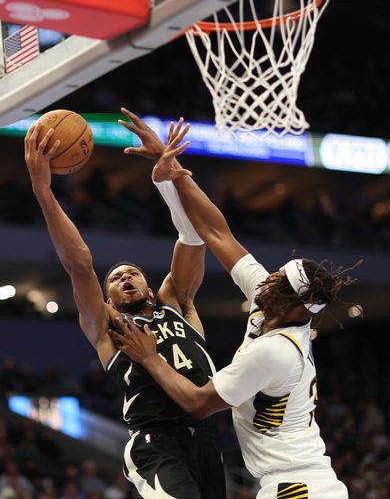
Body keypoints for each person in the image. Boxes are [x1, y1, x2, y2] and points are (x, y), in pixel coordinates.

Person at [110, 125, 357, 499]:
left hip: (298, 487)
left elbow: (198, 403)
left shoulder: (276, 349)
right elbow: (216, 233)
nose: (269, 278)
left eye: (279, 281)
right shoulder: (272, 302)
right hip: (297, 482)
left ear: (293, 305)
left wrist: (151, 358)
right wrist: (172, 174)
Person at [24, 113, 225, 499]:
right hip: (156, 443)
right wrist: (44, 191)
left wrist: (167, 166)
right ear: (108, 298)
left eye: (131, 273)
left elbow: (194, 235)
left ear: (149, 283)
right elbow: (79, 264)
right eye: (115, 279)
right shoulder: (108, 327)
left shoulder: (178, 303)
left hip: (205, 442)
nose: (125, 278)